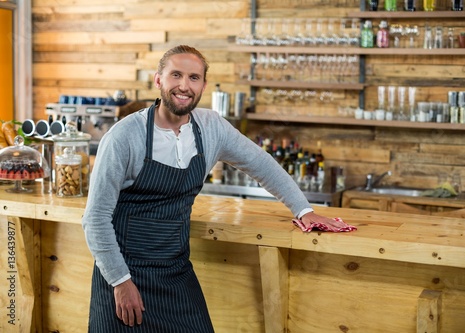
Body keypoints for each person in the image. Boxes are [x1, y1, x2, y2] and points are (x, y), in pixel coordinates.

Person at [82, 44, 350, 332]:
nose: (184, 86)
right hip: (123, 274)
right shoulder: (124, 136)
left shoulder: (211, 127)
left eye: (194, 78)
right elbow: (95, 218)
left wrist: (303, 208)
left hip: (175, 271)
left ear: (203, 85)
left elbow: (261, 163)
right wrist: (120, 282)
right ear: (158, 80)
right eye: (176, 75)